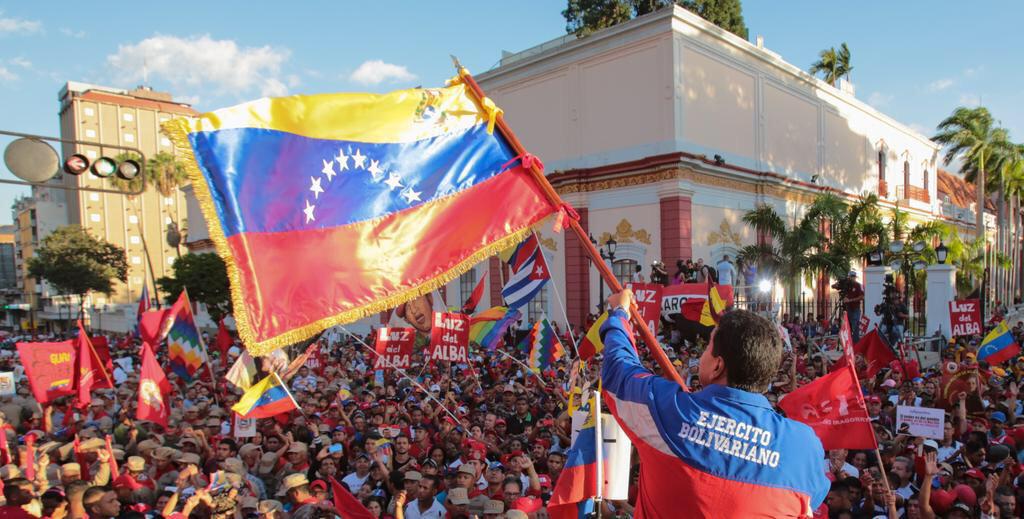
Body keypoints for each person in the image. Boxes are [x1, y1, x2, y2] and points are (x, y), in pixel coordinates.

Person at [600, 289, 829, 517]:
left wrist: (620, 313)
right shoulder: (805, 446)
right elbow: (813, 499)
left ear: (718, 366)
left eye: (708, 347)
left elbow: (618, 372)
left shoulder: (668, 411)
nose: (703, 354)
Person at [842, 271, 864, 343]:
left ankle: (855, 342)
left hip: (855, 308)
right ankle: (850, 342)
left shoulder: (858, 285)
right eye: (850, 277)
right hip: (848, 308)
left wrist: (850, 300)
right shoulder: (847, 286)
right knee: (849, 325)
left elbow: (861, 297)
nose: (851, 278)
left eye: (853, 277)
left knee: (855, 324)